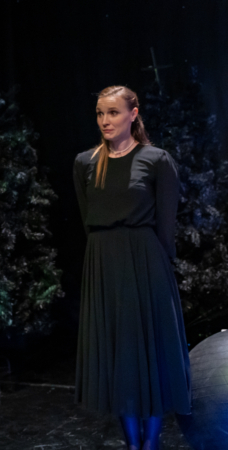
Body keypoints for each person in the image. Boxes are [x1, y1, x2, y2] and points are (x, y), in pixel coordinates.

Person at [73, 86, 192, 450]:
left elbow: (166, 226)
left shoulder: (157, 160)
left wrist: (157, 271)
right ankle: (132, 443)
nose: (105, 120)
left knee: (150, 351)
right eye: (100, 113)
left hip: (145, 262)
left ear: (133, 114)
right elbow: (87, 218)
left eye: (113, 112)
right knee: (119, 353)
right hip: (104, 264)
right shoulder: (85, 162)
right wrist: (103, 258)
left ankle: (150, 444)